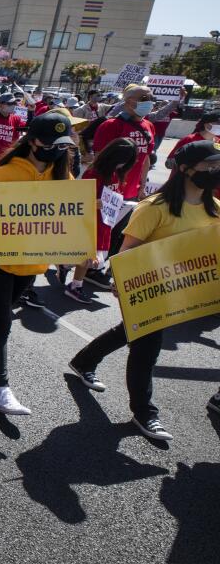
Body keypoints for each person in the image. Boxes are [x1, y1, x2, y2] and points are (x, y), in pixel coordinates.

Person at [68, 140, 220, 441]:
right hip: (148, 289)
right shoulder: (155, 208)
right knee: (147, 347)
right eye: (210, 164)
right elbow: (128, 253)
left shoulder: (215, 209)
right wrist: (123, 284)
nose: (215, 170)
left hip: (183, 291)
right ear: (186, 169)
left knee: (131, 331)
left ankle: (84, 361)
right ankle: (145, 414)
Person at [0, 112, 76, 415]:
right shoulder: (5, 173)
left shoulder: (63, 176)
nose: (58, 150)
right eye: (52, 143)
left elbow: (68, 218)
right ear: (34, 141)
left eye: (63, 145)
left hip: (32, 262)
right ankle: (1, 391)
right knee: (2, 323)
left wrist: (80, 246)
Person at [62, 138, 137, 303]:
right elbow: (79, 200)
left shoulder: (117, 173)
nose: (122, 165)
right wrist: (94, 203)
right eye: (120, 161)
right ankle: (75, 286)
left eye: (126, 162)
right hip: (89, 222)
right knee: (86, 255)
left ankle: (65, 265)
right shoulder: (93, 173)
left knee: (89, 257)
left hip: (105, 223)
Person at [93, 85, 158, 258]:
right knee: (100, 232)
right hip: (111, 190)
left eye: (151, 98)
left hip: (131, 192)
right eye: (145, 99)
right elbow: (99, 160)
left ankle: (101, 267)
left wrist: (142, 185)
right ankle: (87, 268)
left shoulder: (149, 126)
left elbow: (145, 158)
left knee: (118, 233)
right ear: (129, 101)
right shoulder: (110, 126)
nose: (150, 103)